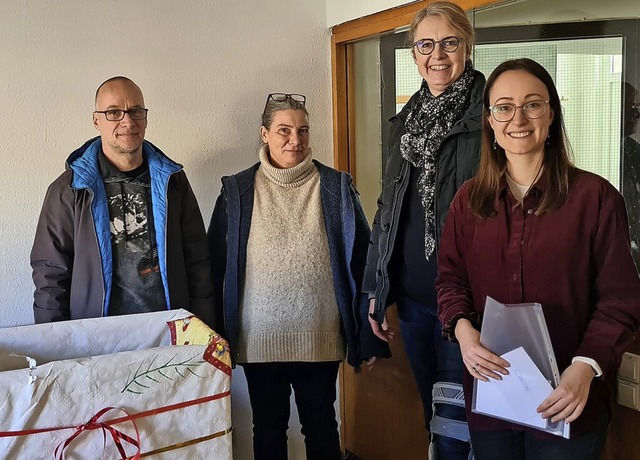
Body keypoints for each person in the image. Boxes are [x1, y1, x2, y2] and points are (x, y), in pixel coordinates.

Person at [436, 58, 640, 460]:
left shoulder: (595, 199)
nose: (518, 118)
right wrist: (462, 331)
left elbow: (621, 299)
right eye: (504, 107)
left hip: (568, 399)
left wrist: (585, 367)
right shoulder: (468, 201)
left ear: (551, 114)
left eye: (532, 104)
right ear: (490, 121)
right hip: (492, 397)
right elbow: (450, 281)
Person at [208, 93, 385, 460]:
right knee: (268, 432)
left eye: (302, 131)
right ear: (264, 134)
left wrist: (368, 334)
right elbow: (213, 267)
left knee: (321, 428)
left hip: (319, 340)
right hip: (258, 341)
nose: (295, 140)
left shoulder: (336, 188)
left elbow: (364, 262)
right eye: (284, 130)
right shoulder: (237, 192)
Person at [363, 2, 484, 458]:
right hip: (414, 305)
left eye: (449, 42)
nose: (437, 55)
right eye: (425, 44)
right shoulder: (405, 123)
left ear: (467, 47)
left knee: (459, 435)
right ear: (414, 53)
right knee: (435, 423)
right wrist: (376, 288)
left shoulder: (490, 116)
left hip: (467, 310)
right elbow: (388, 211)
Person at [31, 76, 215, 326]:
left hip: (167, 333)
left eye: (135, 111)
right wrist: (52, 342)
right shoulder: (70, 189)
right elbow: (51, 273)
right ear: (96, 120)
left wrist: (205, 331)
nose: (127, 121)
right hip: (97, 336)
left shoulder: (173, 182)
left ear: (146, 118)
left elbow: (197, 262)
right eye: (114, 112)